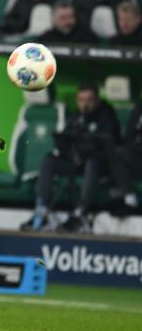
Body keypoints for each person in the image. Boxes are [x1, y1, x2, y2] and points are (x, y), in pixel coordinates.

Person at [21, 84, 121, 233]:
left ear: (97, 100)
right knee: (49, 160)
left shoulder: (107, 114)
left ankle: (81, 212)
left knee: (93, 161)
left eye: (89, 100)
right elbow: (67, 139)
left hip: (101, 165)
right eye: (81, 100)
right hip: (76, 161)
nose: (85, 104)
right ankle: (43, 208)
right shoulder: (76, 116)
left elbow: (109, 144)